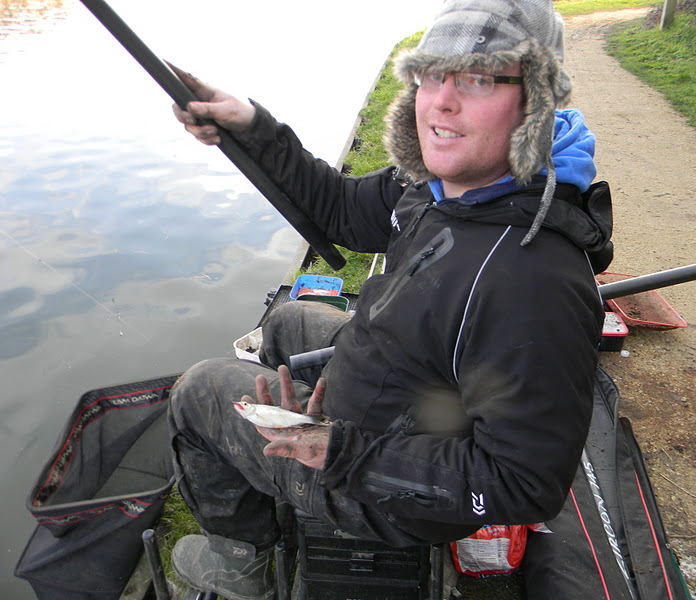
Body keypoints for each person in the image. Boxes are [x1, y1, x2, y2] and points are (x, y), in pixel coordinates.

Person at [167, 0, 613, 598]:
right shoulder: (445, 184)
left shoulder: (532, 284)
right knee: (290, 319)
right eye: (432, 75)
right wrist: (249, 125)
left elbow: (522, 484)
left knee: (197, 391)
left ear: (535, 103)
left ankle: (242, 560)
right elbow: (339, 209)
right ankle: (270, 483)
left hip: (388, 492)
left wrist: (346, 451)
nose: (442, 102)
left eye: (479, 79)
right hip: (403, 385)